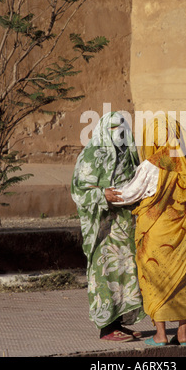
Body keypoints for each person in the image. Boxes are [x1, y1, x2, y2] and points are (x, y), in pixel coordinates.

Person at [111, 113, 186, 346]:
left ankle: (161, 335)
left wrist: (106, 194)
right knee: (183, 280)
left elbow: (130, 193)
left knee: (155, 280)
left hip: (156, 231)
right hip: (185, 232)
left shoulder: (154, 163)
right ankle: (182, 335)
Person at [71, 111, 145, 342]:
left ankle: (119, 323)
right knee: (105, 272)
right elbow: (78, 190)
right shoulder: (91, 154)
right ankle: (106, 328)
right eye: (113, 129)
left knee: (126, 272)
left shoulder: (129, 154)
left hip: (125, 223)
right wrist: (102, 195)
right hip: (102, 228)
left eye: (122, 130)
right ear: (103, 129)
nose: (118, 135)